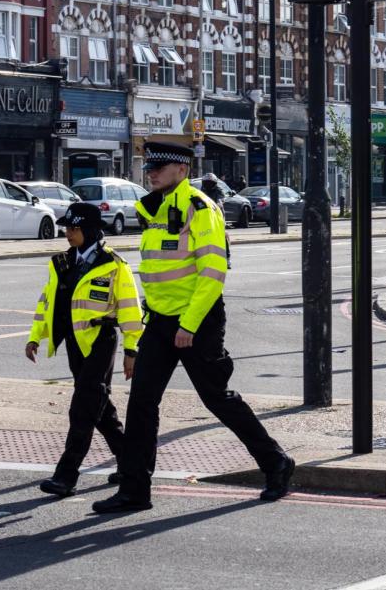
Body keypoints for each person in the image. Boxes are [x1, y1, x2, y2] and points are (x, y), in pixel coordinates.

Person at [92, 141, 293, 514]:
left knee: (217, 399)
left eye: (160, 167)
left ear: (182, 170)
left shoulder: (200, 209)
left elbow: (213, 274)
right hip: (161, 321)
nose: (150, 172)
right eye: (149, 167)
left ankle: (276, 462)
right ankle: (136, 490)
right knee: (141, 404)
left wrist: (189, 324)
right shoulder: (155, 209)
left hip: (196, 322)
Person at [28, 202, 141, 497]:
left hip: (101, 340)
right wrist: (35, 336)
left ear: (91, 230)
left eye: (74, 228)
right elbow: (47, 303)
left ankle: (66, 475)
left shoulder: (115, 265)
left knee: (82, 408)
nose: (68, 233)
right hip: (74, 344)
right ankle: (132, 462)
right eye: (67, 227)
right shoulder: (61, 263)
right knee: (100, 408)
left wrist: (132, 351)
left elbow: (130, 310)